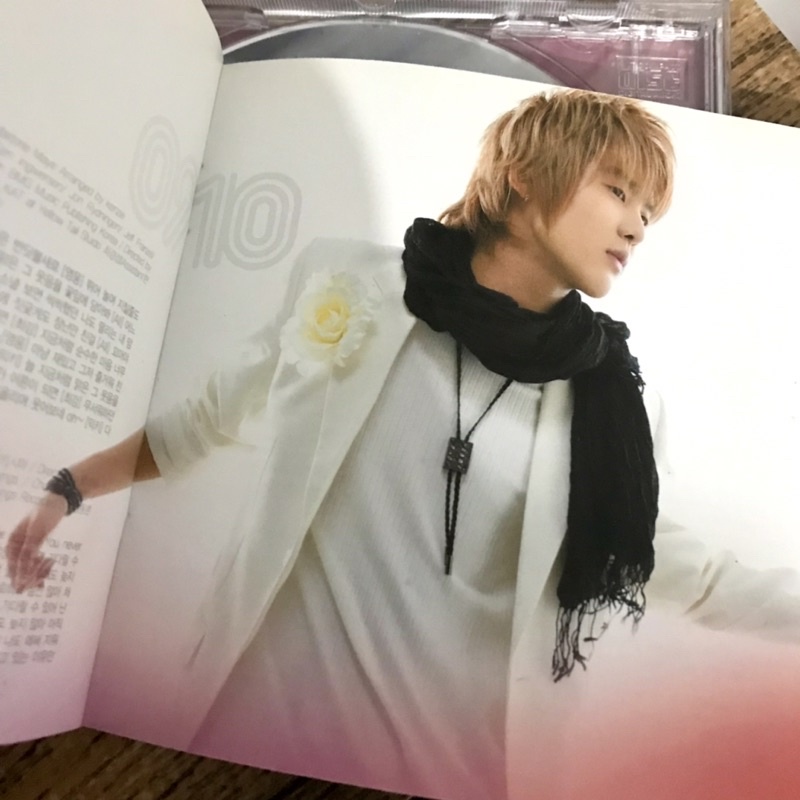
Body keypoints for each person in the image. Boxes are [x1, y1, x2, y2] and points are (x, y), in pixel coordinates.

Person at [6, 89, 800, 800]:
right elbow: (208, 418)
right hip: (240, 736)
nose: (636, 225)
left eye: (648, 212)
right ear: (524, 175)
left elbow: (687, 572)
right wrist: (67, 488)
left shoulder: (608, 408)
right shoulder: (352, 285)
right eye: (619, 191)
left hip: (446, 770)